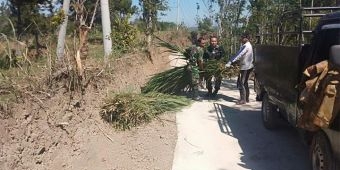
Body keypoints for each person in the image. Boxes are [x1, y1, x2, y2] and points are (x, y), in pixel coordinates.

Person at [225, 33, 254, 104]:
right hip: (248, 66)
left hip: (245, 67)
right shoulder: (247, 45)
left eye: (242, 38)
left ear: (246, 38)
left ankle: (243, 99)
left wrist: (230, 61)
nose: (240, 39)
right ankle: (246, 98)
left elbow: (239, 54)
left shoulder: (246, 46)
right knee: (245, 82)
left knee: (241, 83)